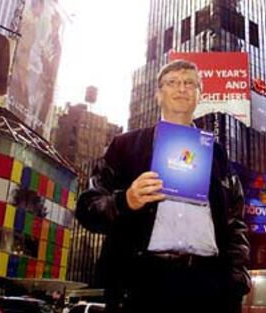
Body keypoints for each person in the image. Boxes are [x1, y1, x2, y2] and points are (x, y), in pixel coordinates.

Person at [76, 59, 251, 313]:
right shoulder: (124, 147)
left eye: (190, 83)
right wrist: (125, 201)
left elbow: (236, 223)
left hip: (209, 288)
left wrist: (235, 281)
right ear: (158, 94)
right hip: (142, 285)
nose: (182, 88)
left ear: (199, 95)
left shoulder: (218, 155)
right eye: (172, 82)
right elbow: (87, 208)